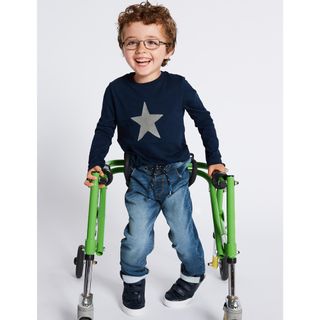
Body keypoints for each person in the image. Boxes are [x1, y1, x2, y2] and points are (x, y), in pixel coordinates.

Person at [84, 1, 226, 316]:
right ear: (122, 47)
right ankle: (133, 279)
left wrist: (214, 158)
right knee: (137, 233)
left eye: (152, 42)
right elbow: (105, 128)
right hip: (139, 176)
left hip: (176, 174)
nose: (141, 49)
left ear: (169, 49)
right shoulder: (116, 90)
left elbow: (203, 120)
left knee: (182, 229)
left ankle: (193, 273)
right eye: (132, 42)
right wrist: (96, 162)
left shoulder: (178, 86)